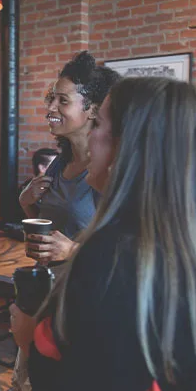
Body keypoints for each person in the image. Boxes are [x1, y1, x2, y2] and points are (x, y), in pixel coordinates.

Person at [12, 77, 196, 391]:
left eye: (98, 123)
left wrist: (27, 338)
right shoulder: (189, 246)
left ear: (128, 146)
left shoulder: (112, 257)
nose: (91, 136)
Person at [19, 51, 121, 264]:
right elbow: (49, 229)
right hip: (52, 283)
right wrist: (26, 202)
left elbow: (123, 251)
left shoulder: (110, 171)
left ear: (92, 110)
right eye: (52, 99)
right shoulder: (59, 163)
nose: (50, 108)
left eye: (63, 101)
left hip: (87, 288)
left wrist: (73, 250)